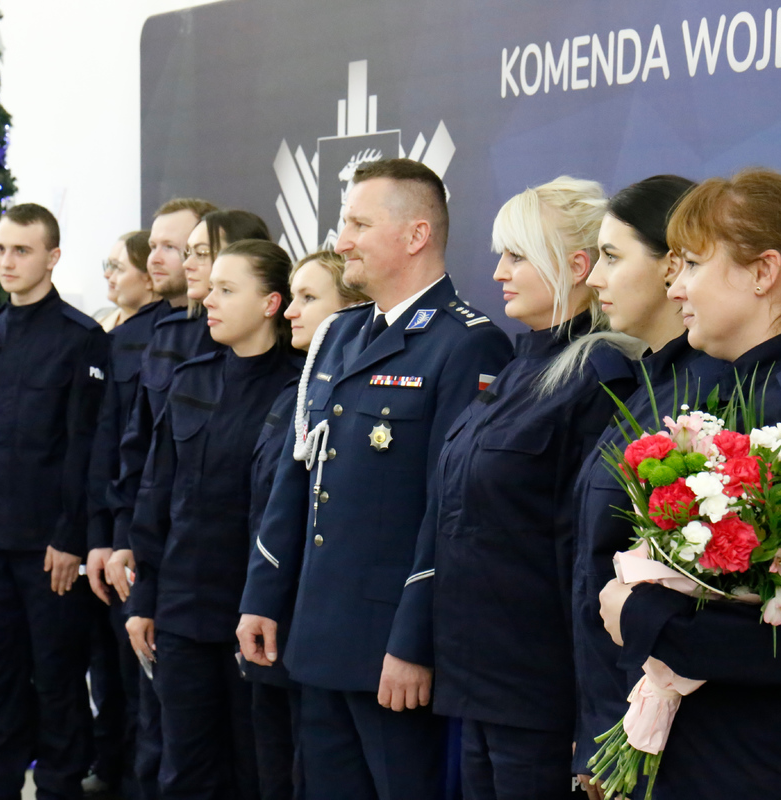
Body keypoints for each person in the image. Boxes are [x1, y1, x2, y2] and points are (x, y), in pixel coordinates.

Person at [596, 169, 781, 799]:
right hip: (723, 757)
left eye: (693, 265)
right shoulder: (748, 390)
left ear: (763, 272)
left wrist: (649, 615)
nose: (674, 286)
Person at [238, 159, 515, 800]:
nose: (342, 242)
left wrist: (414, 642)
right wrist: (263, 594)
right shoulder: (341, 334)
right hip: (318, 635)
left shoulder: (467, 345)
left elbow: (452, 512)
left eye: (359, 223)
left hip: (393, 651)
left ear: (415, 235)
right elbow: (300, 473)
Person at [407, 178, 639, 800]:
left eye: (517, 255)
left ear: (578, 266)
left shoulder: (600, 375)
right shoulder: (517, 368)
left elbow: (594, 554)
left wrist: (591, 716)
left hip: (543, 691)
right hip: (480, 680)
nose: (499, 271)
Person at [125, 240, 303, 799]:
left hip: (257, 618)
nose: (209, 300)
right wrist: (143, 600)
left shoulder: (301, 389)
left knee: (258, 770)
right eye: (211, 287)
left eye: (227, 290)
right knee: (186, 771)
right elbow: (157, 494)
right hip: (181, 612)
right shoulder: (192, 378)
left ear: (272, 302)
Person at [0, 203, 109, 800]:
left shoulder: (81, 339)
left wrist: (71, 538)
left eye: (22, 250)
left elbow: (86, 450)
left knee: (58, 681)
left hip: (49, 550)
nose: (7, 262)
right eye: (0, 250)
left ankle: (60, 787)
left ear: (52, 257)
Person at [569, 175, 721, 798]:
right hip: (611, 715)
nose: (593, 278)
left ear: (672, 265)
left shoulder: (709, 397)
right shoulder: (646, 385)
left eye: (611, 256)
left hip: (661, 733)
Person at [244, 250, 370, 800]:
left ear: (353, 312)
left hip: (321, 627)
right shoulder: (294, 397)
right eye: (292, 295)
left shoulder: (345, 403)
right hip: (278, 621)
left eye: (310, 298)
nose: (291, 311)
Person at [84, 228, 162, 799]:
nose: (110, 276)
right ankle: (108, 765)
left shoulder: (154, 338)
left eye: (119, 266)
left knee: (140, 680)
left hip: (137, 530)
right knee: (106, 669)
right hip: (108, 527)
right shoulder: (108, 333)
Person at [93, 230, 157, 331]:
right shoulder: (98, 322)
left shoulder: (161, 332)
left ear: (149, 277)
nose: (108, 275)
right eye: (109, 265)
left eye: (117, 267)